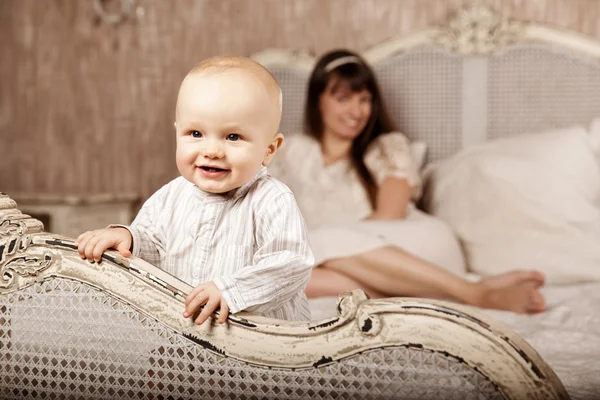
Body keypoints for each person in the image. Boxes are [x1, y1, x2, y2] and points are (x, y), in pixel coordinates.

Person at [268, 49, 546, 314]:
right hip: (345, 265)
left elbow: (391, 214)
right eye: (343, 99)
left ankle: (476, 294)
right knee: (284, 277)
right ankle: (456, 289)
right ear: (318, 100)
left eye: (364, 100)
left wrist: (325, 244)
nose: (356, 111)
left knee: (315, 242)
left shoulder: (387, 147)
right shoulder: (291, 151)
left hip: (415, 246)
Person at [75, 56, 314, 325]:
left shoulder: (272, 200)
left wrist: (230, 290)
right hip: (182, 336)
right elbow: (153, 245)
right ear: (177, 133)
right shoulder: (171, 195)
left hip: (259, 345)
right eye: (196, 134)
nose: (211, 151)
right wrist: (128, 237)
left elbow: (290, 264)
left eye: (233, 137)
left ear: (269, 150)